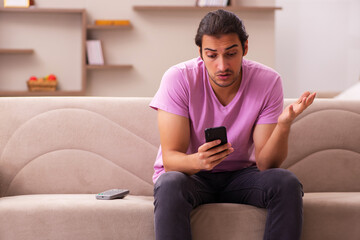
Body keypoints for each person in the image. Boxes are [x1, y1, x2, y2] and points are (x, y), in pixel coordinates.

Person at [149, 9, 316, 240]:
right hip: (192, 175)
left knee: (285, 182)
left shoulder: (268, 82)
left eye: (231, 53)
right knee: (169, 183)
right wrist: (199, 161)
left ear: (245, 48)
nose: (222, 66)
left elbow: (267, 163)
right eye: (211, 55)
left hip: (241, 176)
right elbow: (171, 160)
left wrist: (283, 125)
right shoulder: (178, 79)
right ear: (200, 53)